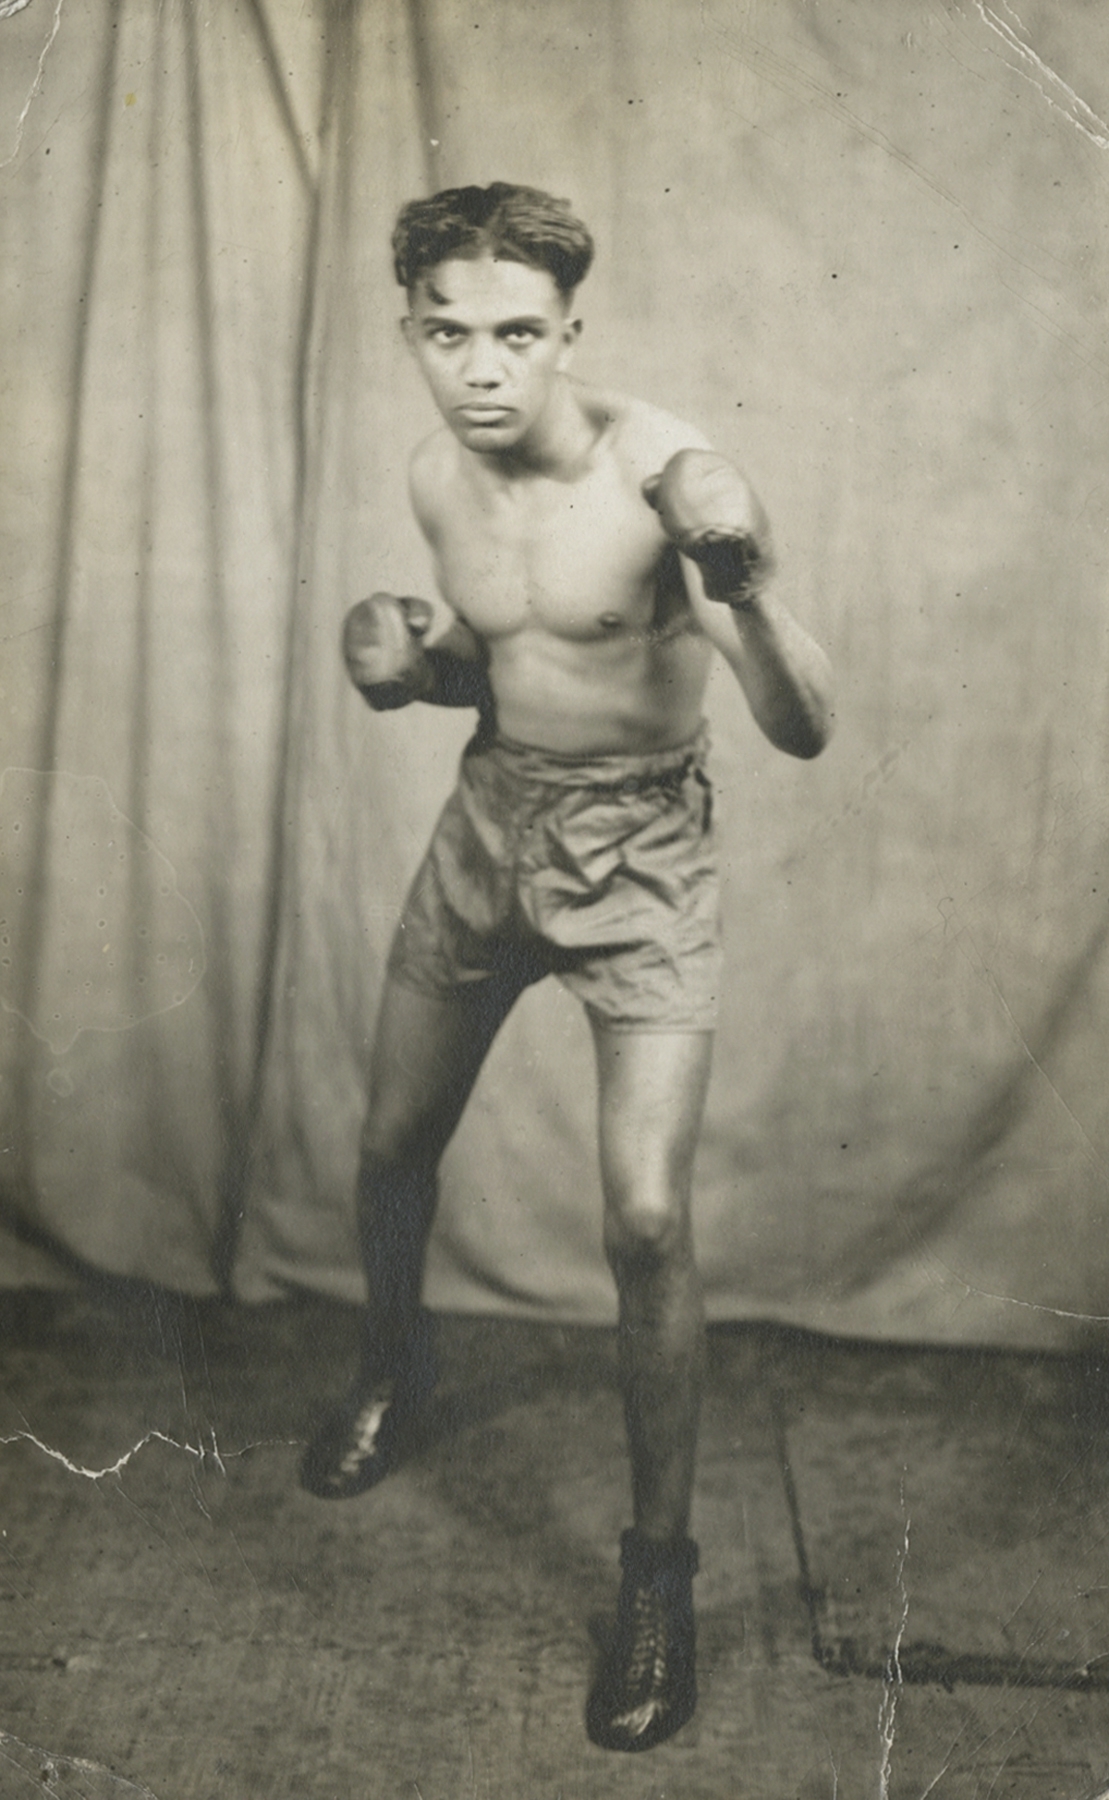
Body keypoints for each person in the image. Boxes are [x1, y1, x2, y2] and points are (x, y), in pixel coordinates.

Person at [300, 181, 834, 1753]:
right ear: (412, 333)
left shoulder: (666, 475)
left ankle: (655, 1573)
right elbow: (499, 656)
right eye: (448, 334)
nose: (482, 370)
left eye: (517, 336)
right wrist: (409, 668)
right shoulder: (431, 473)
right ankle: (390, 1372)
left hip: (643, 861)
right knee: (391, 1144)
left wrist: (736, 578)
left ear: (568, 334)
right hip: (488, 831)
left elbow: (804, 725)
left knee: (647, 1216)